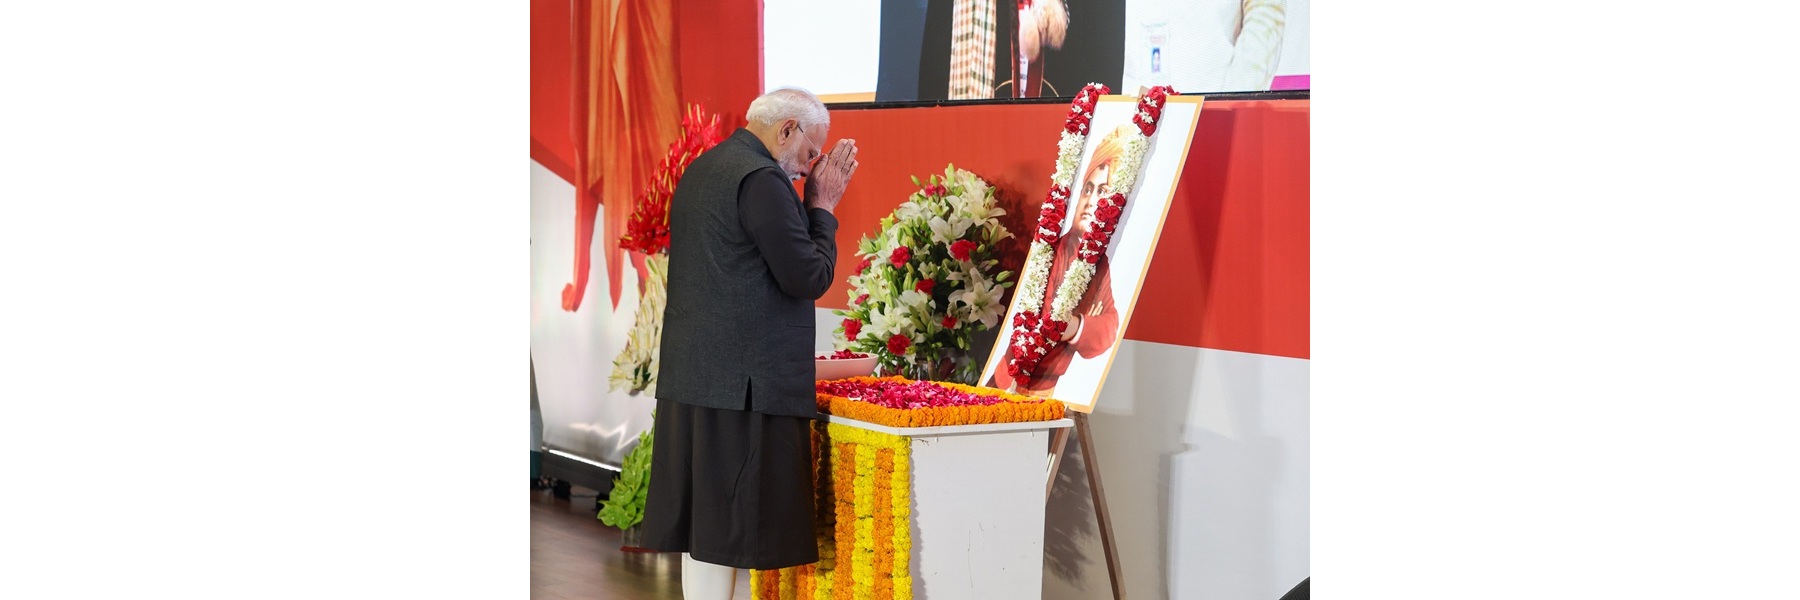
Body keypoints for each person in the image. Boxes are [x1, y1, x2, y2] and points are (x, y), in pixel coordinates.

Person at [639, 88, 859, 599]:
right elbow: (807, 275)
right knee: (729, 536)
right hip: (744, 392)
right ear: (786, 130)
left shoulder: (705, 167)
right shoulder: (762, 180)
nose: (810, 169)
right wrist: (823, 208)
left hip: (697, 379)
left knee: (707, 537)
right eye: (809, 155)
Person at [987, 124, 1126, 398]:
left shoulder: (1099, 264)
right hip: (1005, 378)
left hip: (1046, 393)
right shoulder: (1049, 247)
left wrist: (1073, 326)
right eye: (1088, 189)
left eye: (1102, 192)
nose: (1090, 201)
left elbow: (1109, 325)